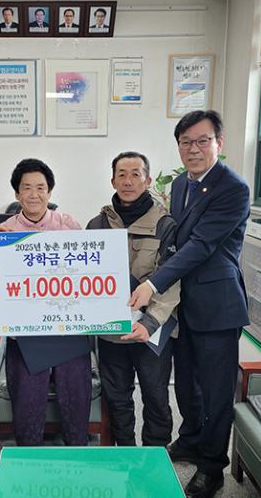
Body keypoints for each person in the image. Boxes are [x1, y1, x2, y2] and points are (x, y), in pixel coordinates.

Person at [129, 110, 250, 498]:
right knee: (186, 384)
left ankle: (212, 467)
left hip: (217, 305)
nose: (193, 149)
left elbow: (200, 245)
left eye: (202, 141)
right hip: (184, 304)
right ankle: (192, 438)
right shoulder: (181, 183)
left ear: (219, 143)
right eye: (186, 142)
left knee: (215, 391)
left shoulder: (233, 188)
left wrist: (153, 283)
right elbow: (175, 241)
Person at [0, 159, 92, 447]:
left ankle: (77, 449)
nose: (34, 194)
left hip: (68, 327)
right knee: (27, 399)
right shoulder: (3, 232)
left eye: (40, 188)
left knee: (76, 393)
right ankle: (27, 453)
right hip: (26, 331)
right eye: (27, 188)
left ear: (50, 192)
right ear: (17, 193)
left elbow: (88, 271)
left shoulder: (68, 225)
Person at [86, 152, 180, 447]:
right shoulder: (97, 225)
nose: (128, 181)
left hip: (153, 329)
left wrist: (150, 323)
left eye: (135, 174)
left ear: (148, 180)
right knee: (117, 396)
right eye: (122, 174)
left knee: (155, 395)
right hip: (111, 331)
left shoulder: (166, 225)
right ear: (112, 180)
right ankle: (124, 452)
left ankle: (155, 454)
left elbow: (173, 280)